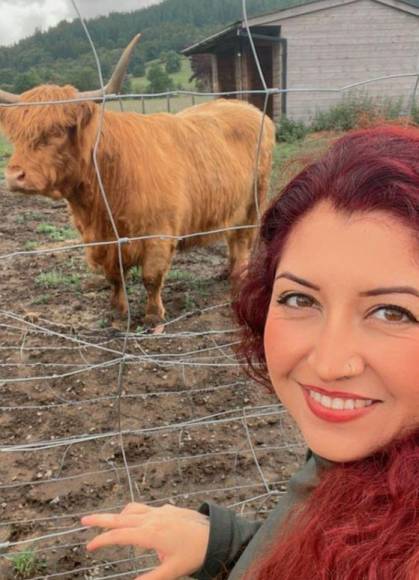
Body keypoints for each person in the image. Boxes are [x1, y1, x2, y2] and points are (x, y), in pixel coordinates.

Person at [81, 125, 419, 580]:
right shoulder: (367, 451)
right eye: (300, 299)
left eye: (393, 313)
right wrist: (227, 544)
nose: (327, 364)